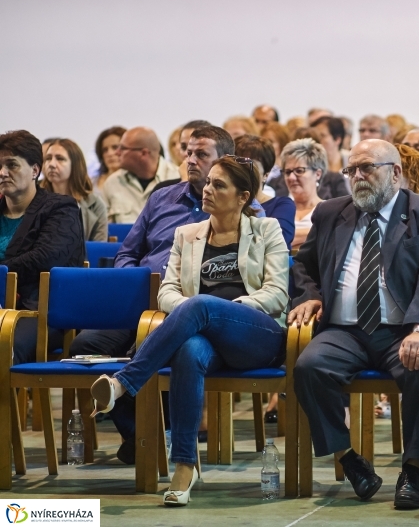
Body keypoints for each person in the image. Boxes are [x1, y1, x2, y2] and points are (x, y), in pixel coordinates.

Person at [90, 155, 288, 507]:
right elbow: (167, 291)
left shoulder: (266, 229)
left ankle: (124, 383)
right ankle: (185, 465)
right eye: (208, 182)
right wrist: (199, 314)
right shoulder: (187, 234)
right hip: (205, 338)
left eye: (218, 185)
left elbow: (276, 294)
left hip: (257, 335)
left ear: (243, 197)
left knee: (201, 306)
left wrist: (221, 310)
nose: (207, 189)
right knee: (188, 350)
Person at [71, 126, 262, 461]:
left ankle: (158, 431)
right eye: (188, 152)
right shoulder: (162, 197)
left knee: (157, 341)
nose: (190, 160)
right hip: (142, 302)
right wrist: (134, 284)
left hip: (190, 309)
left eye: (201, 154)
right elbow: (128, 252)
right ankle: (144, 434)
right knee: (84, 345)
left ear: (225, 161)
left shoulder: (242, 205)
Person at [291, 139, 419, 509]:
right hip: (343, 330)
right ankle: (349, 460)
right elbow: (303, 265)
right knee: (308, 367)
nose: (357, 177)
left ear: (395, 173)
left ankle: (412, 471)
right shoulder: (331, 212)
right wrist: (309, 295)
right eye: (351, 170)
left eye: (367, 168)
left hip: (402, 331)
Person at [0, 130, 85, 364]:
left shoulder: (61, 208)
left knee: (4, 344)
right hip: (3, 307)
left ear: (35, 171)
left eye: (11, 165)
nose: (2, 173)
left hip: (41, 311)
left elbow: (46, 257)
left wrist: (2, 272)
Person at [103, 127, 180, 223]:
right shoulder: (112, 183)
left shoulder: (179, 178)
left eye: (122, 148)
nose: (117, 153)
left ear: (143, 153)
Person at [234, 134, 295, 248]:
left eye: (251, 165)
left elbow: (276, 243)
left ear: (266, 175)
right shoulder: (222, 202)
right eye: (237, 164)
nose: (242, 170)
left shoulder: (282, 205)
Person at [42, 138, 108, 242]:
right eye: (48, 158)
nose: (51, 164)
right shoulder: (34, 199)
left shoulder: (95, 204)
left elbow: (98, 247)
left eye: (60, 159)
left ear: (75, 165)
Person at [280, 138, 325, 249]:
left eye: (299, 171)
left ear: (318, 174)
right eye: (287, 172)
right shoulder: (279, 209)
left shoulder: (329, 210)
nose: (291, 177)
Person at [261, 121, 291, 197]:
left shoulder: (288, 171)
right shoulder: (257, 168)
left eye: (271, 141)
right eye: (263, 141)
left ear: (282, 144)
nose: (266, 145)